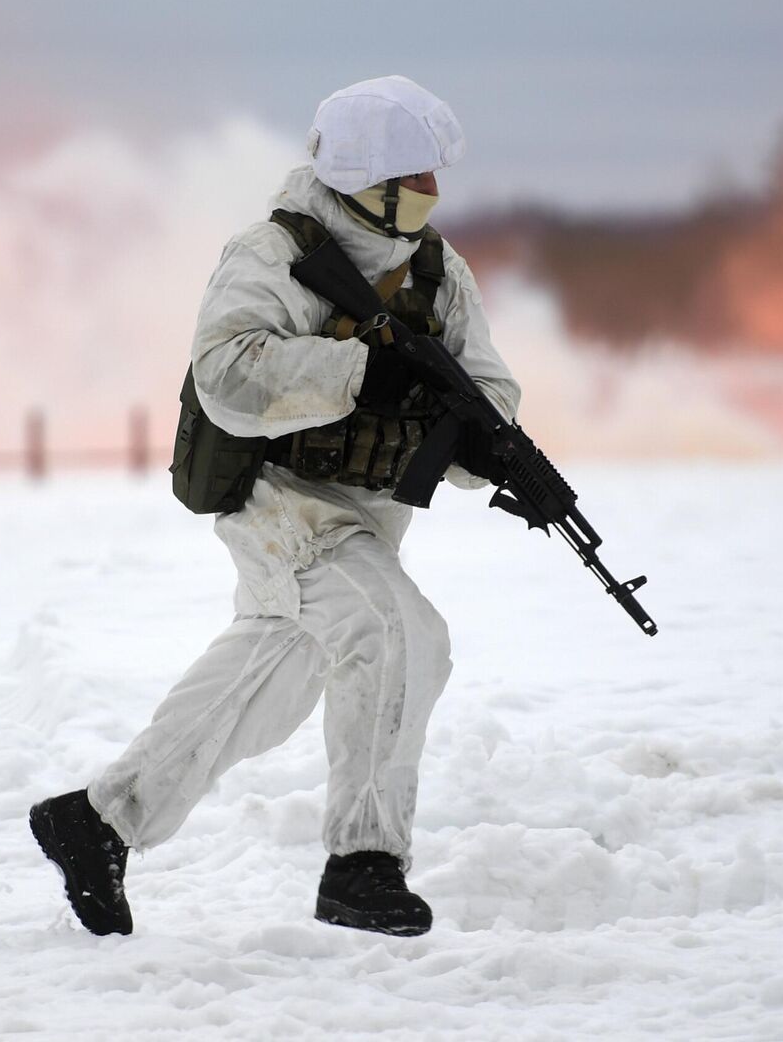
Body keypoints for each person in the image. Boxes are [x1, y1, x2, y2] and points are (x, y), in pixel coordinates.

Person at [29, 76, 520, 938]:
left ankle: (100, 821)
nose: (437, 195)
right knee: (401, 634)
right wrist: (361, 373)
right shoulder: (273, 254)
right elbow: (227, 374)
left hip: (366, 513)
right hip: (278, 501)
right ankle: (364, 864)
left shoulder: (437, 270)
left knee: (267, 686)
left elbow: (488, 386)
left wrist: (485, 442)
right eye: (421, 179)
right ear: (373, 184)